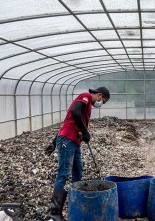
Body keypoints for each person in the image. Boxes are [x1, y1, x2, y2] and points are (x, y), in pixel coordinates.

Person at [45, 87, 110, 221]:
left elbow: (68, 121)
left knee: (78, 173)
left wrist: (54, 142)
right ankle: (54, 212)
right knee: (63, 173)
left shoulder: (88, 106)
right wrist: (85, 131)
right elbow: (74, 112)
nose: (100, 104)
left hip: (73, 141)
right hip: (67, 140)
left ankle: (76, 206)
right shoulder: (85, 96)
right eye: (102, 101)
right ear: (99, 95)